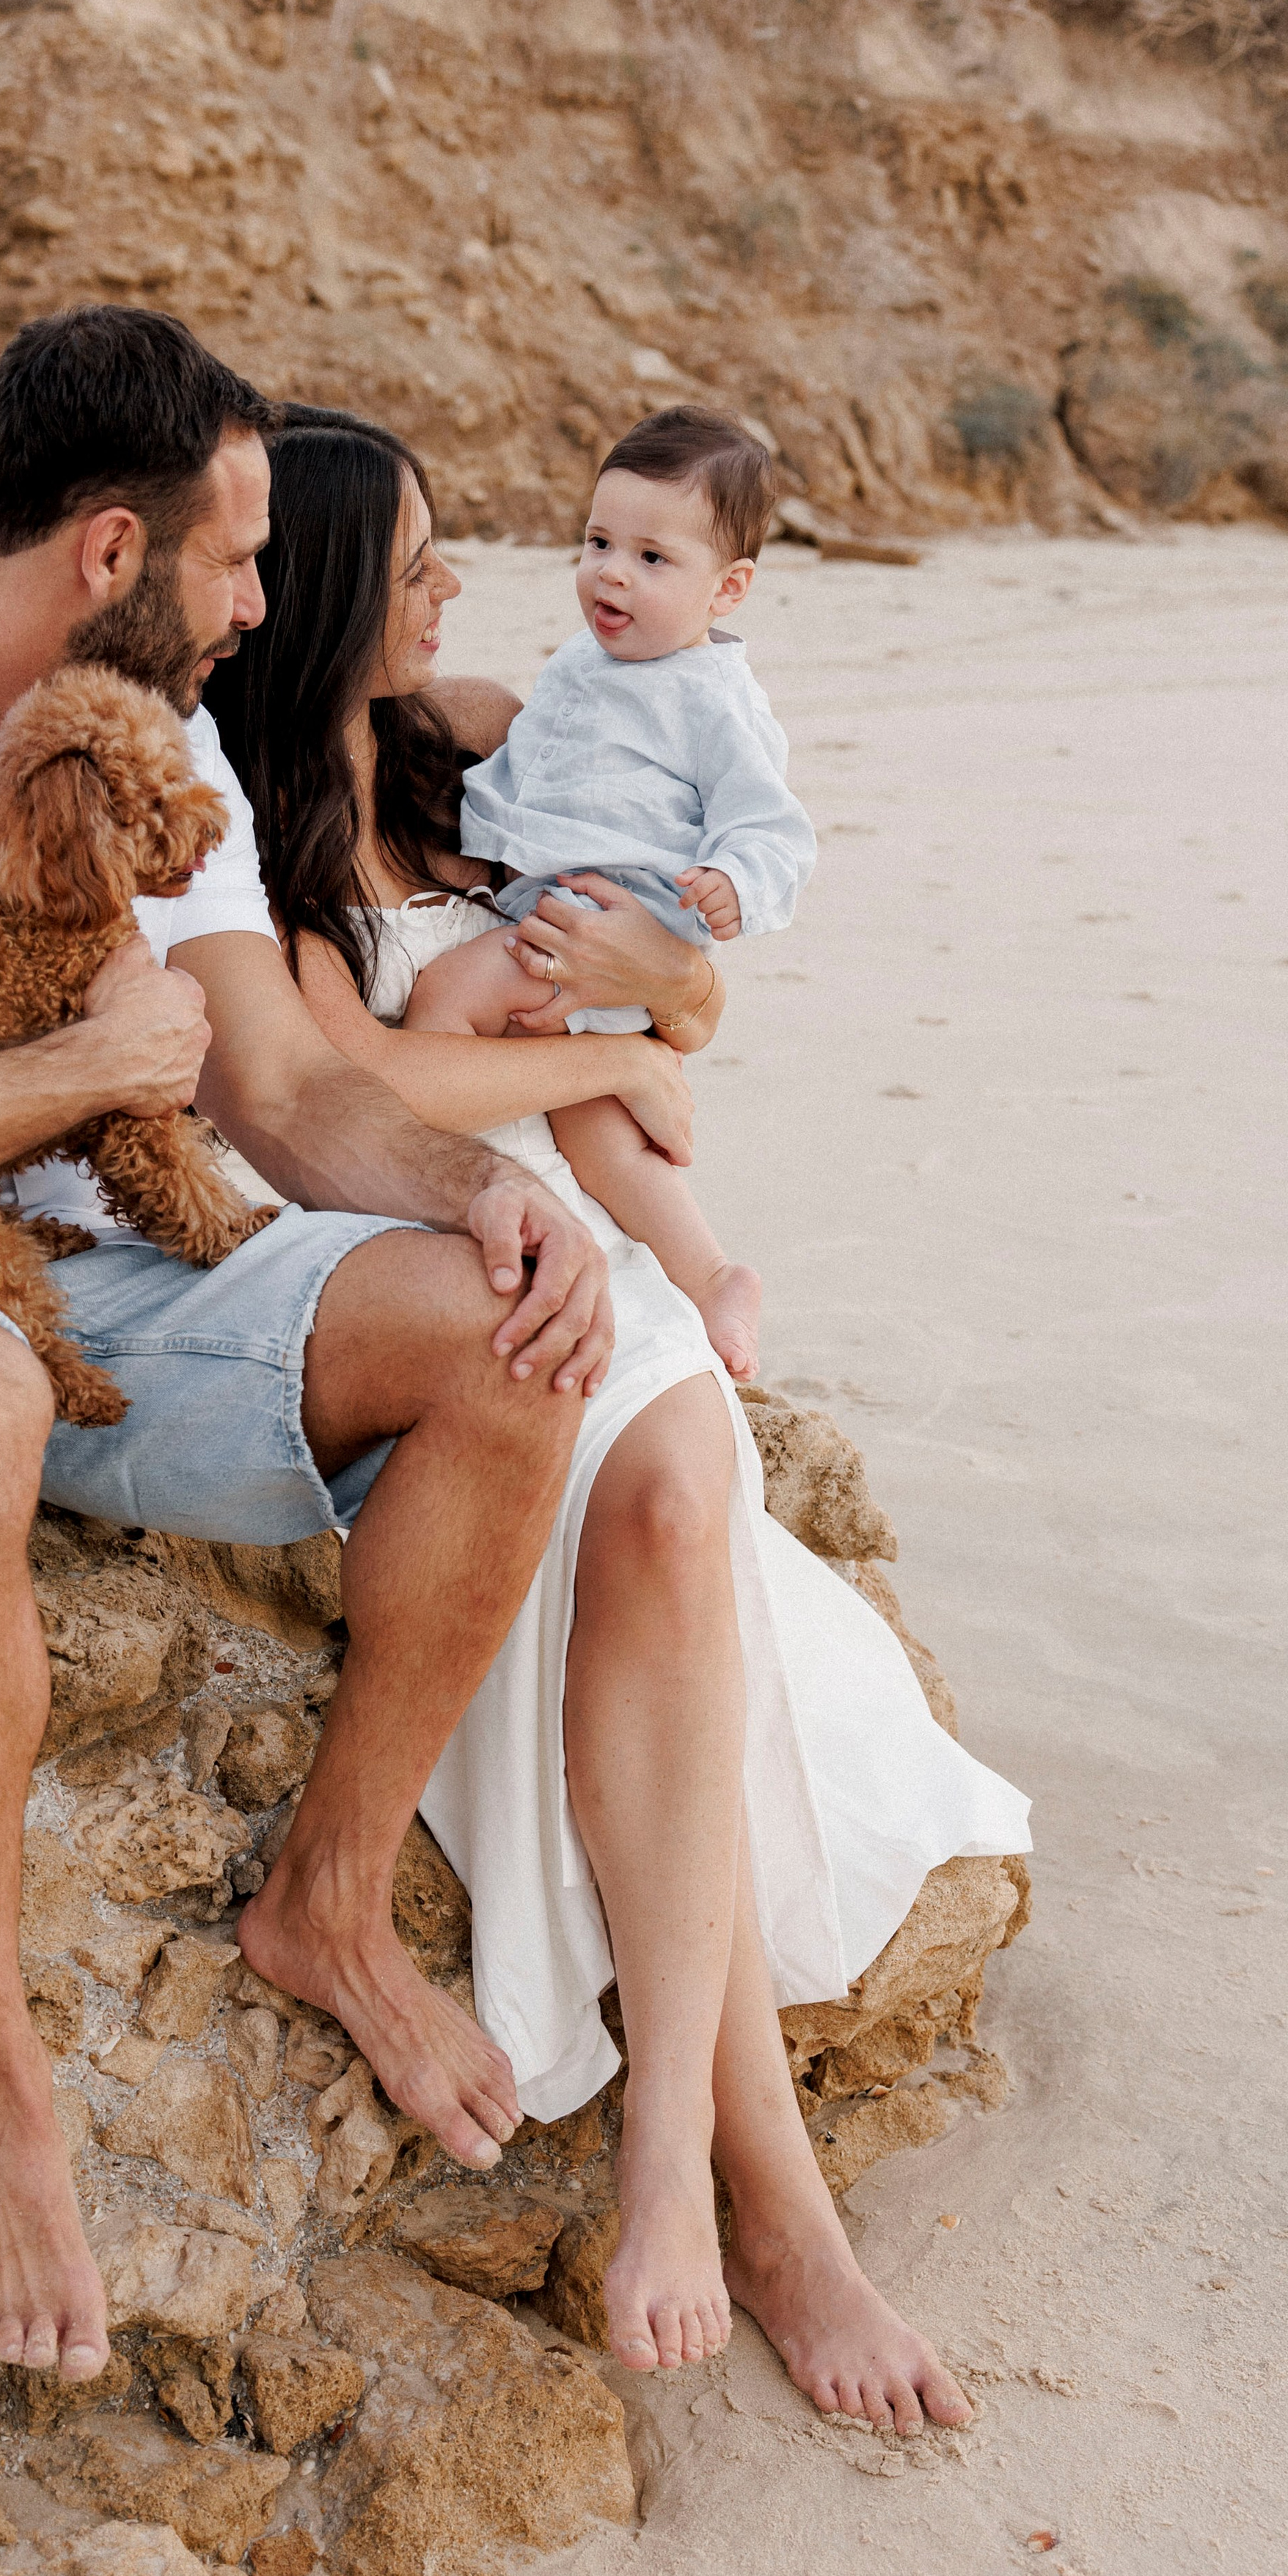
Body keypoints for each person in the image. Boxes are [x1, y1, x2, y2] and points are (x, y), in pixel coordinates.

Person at [0, 305, 621, 2391]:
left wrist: (480, 1189)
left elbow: (272, 1089)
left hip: (108, 1262)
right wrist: (66, 1064)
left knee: (504, 1334)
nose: (265, 604)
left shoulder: (165, 764)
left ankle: (325, 1897)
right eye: (237, 558)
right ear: (105, 552)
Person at [206, 409, 1031, 2418]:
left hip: (576, 1231)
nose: (453, 587)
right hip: (429, 1253)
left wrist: (675, 989)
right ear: (322, 588)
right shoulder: (240, 839)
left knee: (672, 1489)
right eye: (412, 560)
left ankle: (693, 2165)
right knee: (650, 1493)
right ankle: (770, 2203)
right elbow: (332, 1109)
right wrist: (569, 1065)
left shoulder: (481, 737)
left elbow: (680, 985)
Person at [395, 406, 816, 1388]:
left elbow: (772, 825)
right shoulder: (585, 663)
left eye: (652, 558)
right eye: (597, 543)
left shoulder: (711, 695)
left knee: (444, 1006)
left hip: (610, 915)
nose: (611, 573)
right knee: (596, 1134)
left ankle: (421, 1178)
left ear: (731, 587)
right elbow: (535, 774)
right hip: (550, 906)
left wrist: (733, 885)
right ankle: (708, 1274)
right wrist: (472, 827)